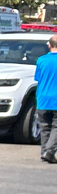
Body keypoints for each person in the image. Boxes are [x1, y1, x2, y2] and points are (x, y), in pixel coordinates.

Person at [38, 34, 57, 163]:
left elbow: (38, 79)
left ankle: (45, 154)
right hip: (55, 99)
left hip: (42, 99)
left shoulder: (41, 60)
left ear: (49, 45)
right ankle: (48, 151)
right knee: (56, 128)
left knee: (45, 127)